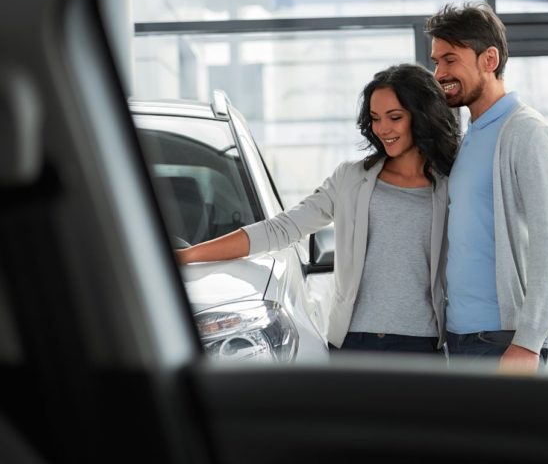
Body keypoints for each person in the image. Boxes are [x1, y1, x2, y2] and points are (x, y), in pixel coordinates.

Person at [176, 63, 460, 357]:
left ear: (422, 116)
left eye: (395, 117)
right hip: (354, 343)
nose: (382, 128)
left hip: (423, 344)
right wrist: (189, 254)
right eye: (375, 118)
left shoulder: (450, 185)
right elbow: (280, 229)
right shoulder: (350, 178)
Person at [425, 2, 548, 374]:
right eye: (436, 61)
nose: (439, 72)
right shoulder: (471, 135)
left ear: (488, 59)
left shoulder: (527, 133)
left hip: (503, 341)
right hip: (461, 337)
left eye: (450, 60)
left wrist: (528, 341)